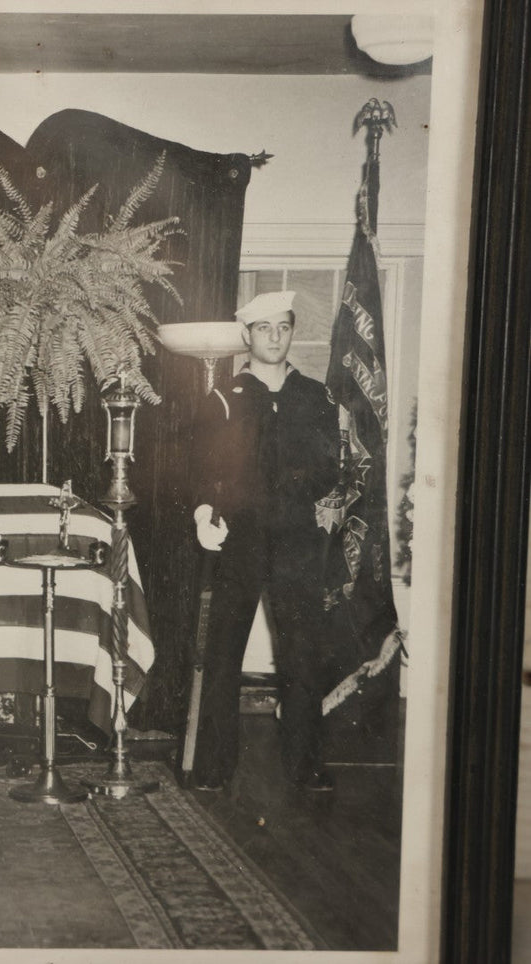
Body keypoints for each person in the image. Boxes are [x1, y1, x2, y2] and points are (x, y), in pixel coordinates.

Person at [188, 290, 340, 792]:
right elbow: (204, 469)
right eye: (264, 328)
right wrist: (206, 512)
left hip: (296, 537)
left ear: (291, 331)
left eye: (283, 327)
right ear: (247, 336)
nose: (274, 337)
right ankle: (213, 767)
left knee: (301, 652)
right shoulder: (224, 397)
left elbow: (327, 469)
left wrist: (287, 489)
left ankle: (306, 766)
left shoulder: (314, 396)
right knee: (224, 651)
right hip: (240, 537)